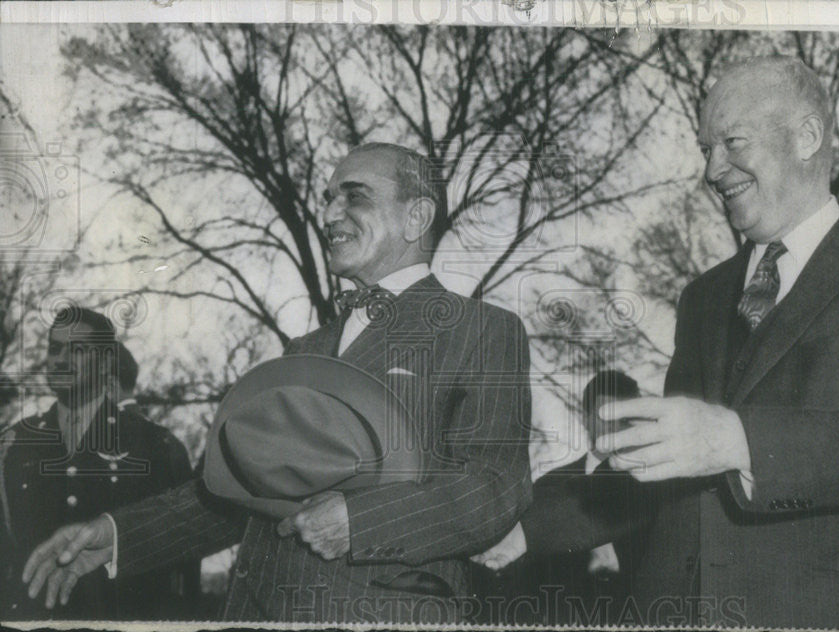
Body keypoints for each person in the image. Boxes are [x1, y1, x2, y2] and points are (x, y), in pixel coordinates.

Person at [495, 57, 839, 629]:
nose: (712, 168)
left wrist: (739, 440)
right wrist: (522, 527)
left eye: (732, 141)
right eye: (705, 149)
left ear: (806, 136)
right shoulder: (704, 295)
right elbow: (669, 469)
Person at [22, 143, 533, 624]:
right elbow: (231, 495)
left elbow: (494, 487)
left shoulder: (481, 331)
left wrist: (361, 523)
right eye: (329, 199)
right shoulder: (303, 349)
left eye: (354, 196)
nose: (330, 214)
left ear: (416, 217)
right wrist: (115, 535)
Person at [0, 307, 194, 620]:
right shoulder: (14, 444)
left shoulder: (153, 444)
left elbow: (180, 564)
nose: (61, 359)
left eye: (77, 350)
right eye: (54, 348)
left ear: (105, 364)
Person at [471, 369, 654, 626]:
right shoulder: (547, 487)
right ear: (585, 418)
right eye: (607, 413)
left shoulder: (655, 488)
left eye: (625, 415)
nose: (615, 425)